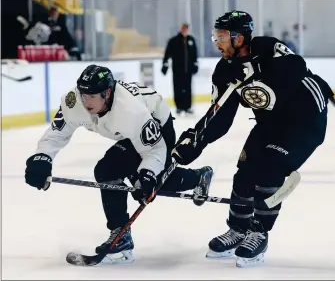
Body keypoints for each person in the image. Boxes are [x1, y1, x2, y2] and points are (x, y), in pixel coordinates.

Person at [172, 10, 333, 267]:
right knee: (245, 172)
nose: (217, 42)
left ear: (240, 37)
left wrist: (263, 79)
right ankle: (238, 229)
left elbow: (296, 67)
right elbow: (220, 118)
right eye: (216, 35)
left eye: (223, 36)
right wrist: (195, 141)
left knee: (269, 168)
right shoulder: (224, 70)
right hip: (270, 123)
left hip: (305, 121)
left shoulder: (267, 48)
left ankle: (259, 232)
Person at [24, 64, 214, 264]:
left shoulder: (131, 111)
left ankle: (197, 177)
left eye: (92, 96)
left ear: (107, 93)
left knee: (148, 180)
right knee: (112, 172)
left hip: (157, 124)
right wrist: (42, 159)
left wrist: (148, 175)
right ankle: (121, 233)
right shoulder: (74, 102)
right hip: (131, 132)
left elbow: (154, 150)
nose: (85, 101)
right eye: (83, 94)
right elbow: (55, 135)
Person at [161, 23, 198, 116]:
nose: (185, 30)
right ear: (181, 29)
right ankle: (179, 107)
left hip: (188, 70)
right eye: (184, 29)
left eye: (187, 29)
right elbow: (167, 54)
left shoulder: (191, 40)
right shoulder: (174, 41)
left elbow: (194, 55)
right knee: (178, 88)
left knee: (188, 88)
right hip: (177, 70)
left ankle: (187, 107)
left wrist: (195, 64)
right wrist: (165, 64)